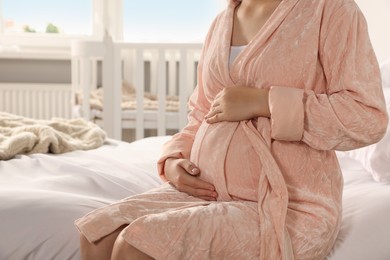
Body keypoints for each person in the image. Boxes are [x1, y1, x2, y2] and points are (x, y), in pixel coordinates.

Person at [75, 0, 388, 259]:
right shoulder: (222, 20)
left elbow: (367, 117)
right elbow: (200, 112)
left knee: (134, 245)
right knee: (98, 234)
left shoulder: (330, 10)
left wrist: (265, 101)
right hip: (208, 191)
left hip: (285, 205)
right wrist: (173, 160)